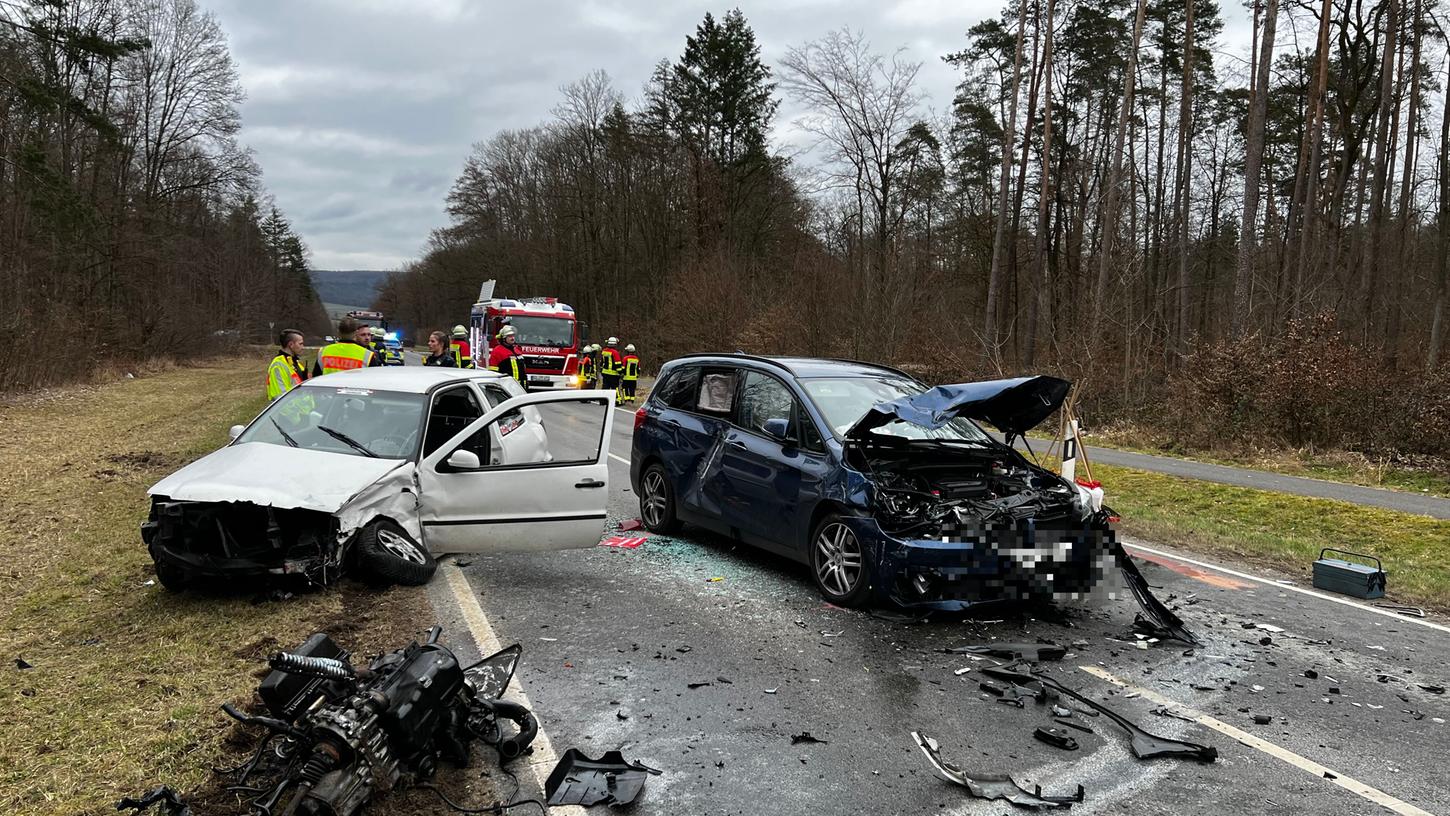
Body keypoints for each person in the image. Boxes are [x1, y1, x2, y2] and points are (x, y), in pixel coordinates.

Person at [313, 317, 379, 376]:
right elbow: (373, 380)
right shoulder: (367, 355)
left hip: (328, 389)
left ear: (338, 332)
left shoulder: (323, 351)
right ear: (356, 333)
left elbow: (315, 377)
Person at [266, 329, 308, 400]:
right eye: (300, 344)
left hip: (305, 409)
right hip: (293, 410)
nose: (303, 347)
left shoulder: (295, 362)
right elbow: (280, 398)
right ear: (291, 344)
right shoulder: (278, 365)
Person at [488, 325, 527, 389]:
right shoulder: (497, 351)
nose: (512, 338)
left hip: (520, 386)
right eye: (509, 336)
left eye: (513, 336)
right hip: (506, 387)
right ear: (503, 338)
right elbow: (493, 373)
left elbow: (523, 371)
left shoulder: (517, 350)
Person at [600, 337, 622, 402]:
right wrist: (620, 372)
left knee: (605, 387)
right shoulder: (615, 352)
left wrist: (602, 370)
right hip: (613, 374)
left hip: (605, 373)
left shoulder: (604, 351)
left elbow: (601, 362)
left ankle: (603, 401)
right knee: (615, 388)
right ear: (615, 344)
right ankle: (618, 401)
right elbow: (617, 364)